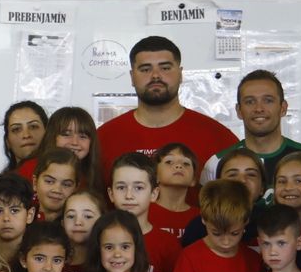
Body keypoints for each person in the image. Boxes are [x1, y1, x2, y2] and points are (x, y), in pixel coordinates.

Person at [95, 35, 239, 179]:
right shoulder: (102, 139)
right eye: (145, 69)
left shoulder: (218, 137)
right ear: (132, 77)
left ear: (180, 74)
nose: (156, 76)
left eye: (165, 68)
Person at [204, 69, 301, 181]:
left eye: (268, 101)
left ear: (283, 108)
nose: (259, 108)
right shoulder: (217, 163)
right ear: (239, 111)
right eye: (250, 101)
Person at [0, 100, 47, 173]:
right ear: (7, 141)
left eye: (33, 126)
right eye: (16, 129)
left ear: (47, 132)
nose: (26, 135)